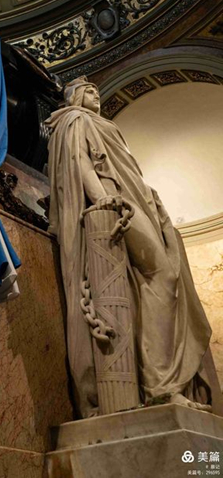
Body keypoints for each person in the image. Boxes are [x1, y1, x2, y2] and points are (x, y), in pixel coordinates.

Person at [47, 76, 212, 418]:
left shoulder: (104, 124)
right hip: (116, 200)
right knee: (162, 276)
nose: (94, 93)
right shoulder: (75, 119)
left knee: (162, 278)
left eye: (96, 89)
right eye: (87, 90)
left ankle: (159, 384)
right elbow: (79, 162)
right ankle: (161, 386)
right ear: (74, 97)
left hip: (136, 201)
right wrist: (102, 198)